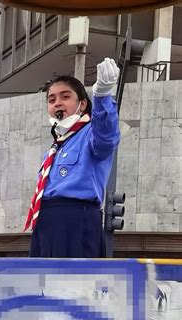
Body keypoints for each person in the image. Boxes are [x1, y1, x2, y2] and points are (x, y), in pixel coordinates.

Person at [24, 57, 121, 258]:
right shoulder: (55, 147)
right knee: (41, 285)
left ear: (82, 104)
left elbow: (106, 136)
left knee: (73, 286)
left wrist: (102, 95)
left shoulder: (89, 134)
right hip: (46, 221)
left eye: (65, 97)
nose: (57, 103)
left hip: (76, 220)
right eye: (52, 100)